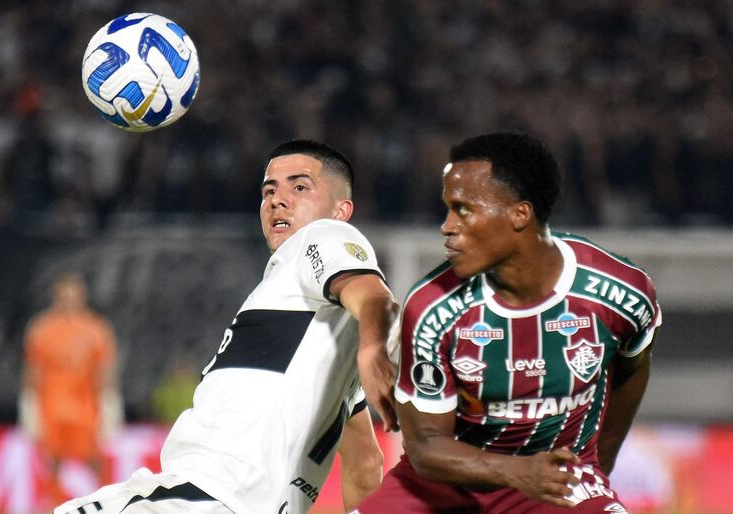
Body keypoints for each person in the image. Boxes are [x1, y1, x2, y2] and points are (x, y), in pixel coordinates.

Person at [56, 139, 399, 514]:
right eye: (269, 190)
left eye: (299, 187)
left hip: (206, 494)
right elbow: (365, 465)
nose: (277, 200)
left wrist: (373, 348)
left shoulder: (322, 236)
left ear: (340, 210)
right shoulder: (320, 341)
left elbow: (374, 298)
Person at [355, 132, 661, 513]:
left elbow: (632, 369)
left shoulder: (620, 292)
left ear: (519, 214)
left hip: (553, 481)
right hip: (443, 485)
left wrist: (597, 465)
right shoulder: (432, 306)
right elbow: (426, 448)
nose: (447, 226)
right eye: (447, 209)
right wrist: (516, 471)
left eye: (463, 209)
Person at [20, 272, 122, 508]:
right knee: (52, 459)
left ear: (82, 297)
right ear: (56, 297)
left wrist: (110, 402)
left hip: (85, 404)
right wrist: (28, 403)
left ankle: (104, 502)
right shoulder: (42, 328)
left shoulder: (96, 328)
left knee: (94, 456)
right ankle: (53, 503)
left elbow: (105, 368)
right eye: (64, 297)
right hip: (52, 404)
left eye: (73, 296)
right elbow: (33, 368)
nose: (69, 302)